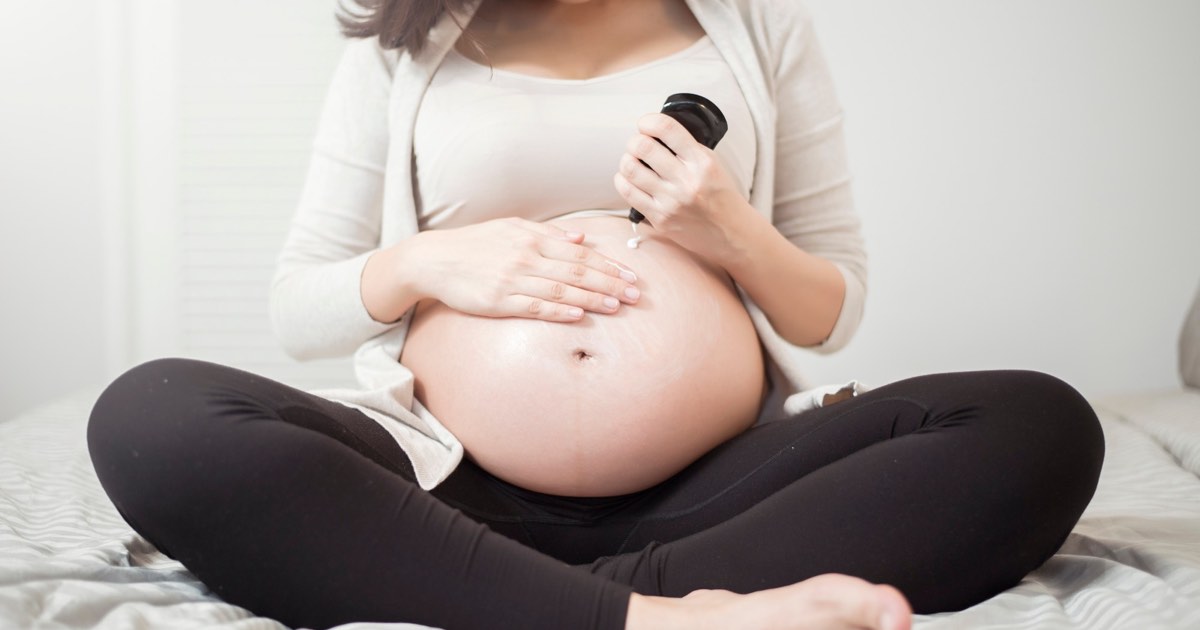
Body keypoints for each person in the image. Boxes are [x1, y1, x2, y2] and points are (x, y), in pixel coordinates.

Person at [86, 1, 1105, 629]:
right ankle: (664, 618)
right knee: (151, 414)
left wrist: (726, 225)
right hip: (444, 478)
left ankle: (518, 592)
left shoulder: (760, 25)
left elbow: (831, 308)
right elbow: (297, 307)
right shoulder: (403, 42)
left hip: (718, 489)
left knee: (1037, 423)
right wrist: (430, 261)